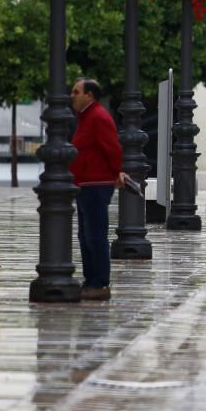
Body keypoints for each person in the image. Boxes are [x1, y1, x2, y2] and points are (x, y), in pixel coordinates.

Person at [69, 78, 124, 301]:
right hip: (84, 185)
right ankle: (91, 281)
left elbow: (112, 148)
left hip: (95, 185)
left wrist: (116, 172)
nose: (71, 96)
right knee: (85, 236)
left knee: (95, 236)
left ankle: (100, 284)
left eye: (76, 92)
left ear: (89, 95)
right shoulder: (86, 118)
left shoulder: (98, 117)